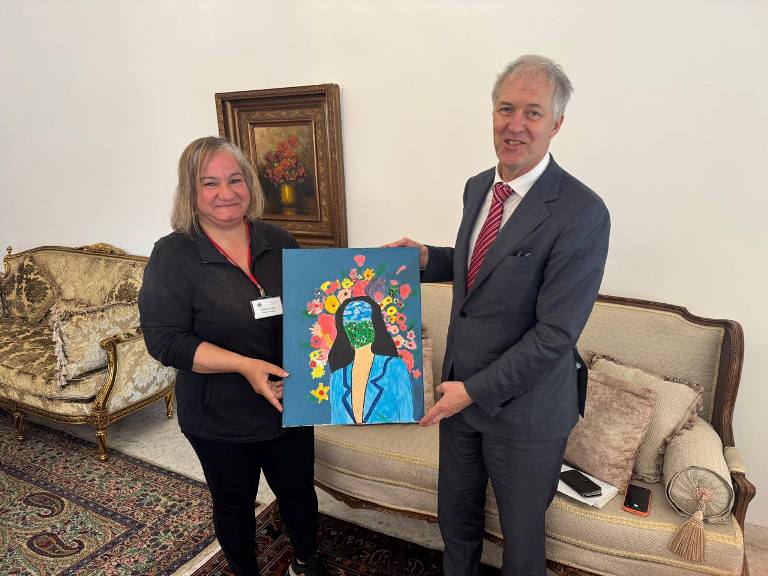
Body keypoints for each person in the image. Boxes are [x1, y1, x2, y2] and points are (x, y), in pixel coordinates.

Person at [387, 55, 610, 575]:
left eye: (533, 112)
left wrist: (472, 391)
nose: (516, 125)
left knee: (522, 543)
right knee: (456, 525)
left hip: (526, 410)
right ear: (492, 114)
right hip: (459, 397)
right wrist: (429, 258)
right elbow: (484, 267)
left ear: (556, 124)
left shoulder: (583, 212)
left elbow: (555, 335)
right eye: (506, 109)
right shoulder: (477, 187)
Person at [138, 136, 328, 576]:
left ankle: (306, 562)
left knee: (299, 491)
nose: (226, 193)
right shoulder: (172, 255)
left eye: (235, 179)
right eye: (210, 183)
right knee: (233, 503)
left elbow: (311, 312)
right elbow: (165, 341)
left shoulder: (278, 239)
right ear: (191, 192)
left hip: (288, 402)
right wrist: (244, 366)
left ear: (250, 184)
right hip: (219, 414)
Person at [327, 296, 413, 424]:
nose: (357, 331)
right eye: (350, 325)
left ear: (374, 325)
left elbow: (407, 418)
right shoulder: (337, 378)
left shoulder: (395, 367)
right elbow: (336, 423)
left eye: (363, 323)